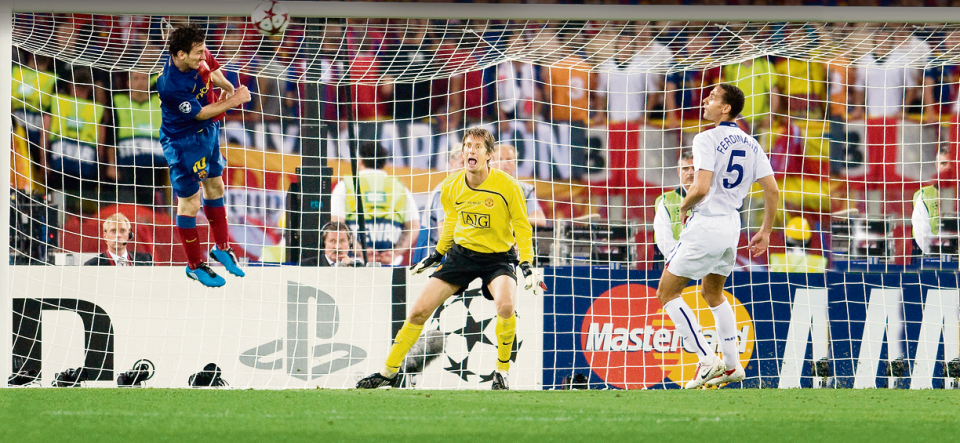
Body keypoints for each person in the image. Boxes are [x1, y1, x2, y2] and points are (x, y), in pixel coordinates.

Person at [356, 127, 545, 391]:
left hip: (498, 258)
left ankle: (501, 372)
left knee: (505, 306)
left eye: (478, 146)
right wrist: (437, 254)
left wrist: (526, 262)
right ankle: (388, 371)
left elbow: (523, 227)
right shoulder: (451, 186)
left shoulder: (508, 186)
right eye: (468, 145)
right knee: (418, 311)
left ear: (489, 154)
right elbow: (450, 225)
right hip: (462, 255)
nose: (471, 150)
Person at [655, 84, 779, 389]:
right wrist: (764, 231)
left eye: (713, 97)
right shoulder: (752, 144)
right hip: (732, 225)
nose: (706, 100)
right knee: (712, 294)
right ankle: (732, 366)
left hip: (707, 222)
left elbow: (701, 187)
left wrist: (684, 206)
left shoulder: (706, 138)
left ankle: (707, 360)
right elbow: (773, 190)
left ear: (726, 108)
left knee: (667, 293)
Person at [157, 24, 251, 288]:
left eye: (202, 50)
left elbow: (211, 68)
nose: (202, 56)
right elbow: (199, 112)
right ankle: (194, 266)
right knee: (190, 203)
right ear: (179, 55)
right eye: (196, 53)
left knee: (216, 185)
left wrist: (229, 87)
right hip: (183, 144)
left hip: (207, 133)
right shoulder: (169, 85)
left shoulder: (198, 53)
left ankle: (221, 248)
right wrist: (234, 101)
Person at [330, 141, 419, 266]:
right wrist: (396, 252)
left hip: (355, 263)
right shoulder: (399, 187)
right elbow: (414, 226)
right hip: (390, 262)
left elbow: (337, 224)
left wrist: (360, 251)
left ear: (359, 160)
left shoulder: (345, 185)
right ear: (383, 162)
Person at [112, 71, 168, 206]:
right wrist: (111, 163)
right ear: (128, 83)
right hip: (127, 163)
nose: (140, 82)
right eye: (136, 78)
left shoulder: (159, 103)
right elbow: (109, 135)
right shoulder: (117, 101)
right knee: (128, 205)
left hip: (156, 165)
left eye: (144, 78)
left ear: (150, 82)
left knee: (150, 207)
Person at [491, 143, 547, 227]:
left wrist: (512, 221)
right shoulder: (481, 187)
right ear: (493, 163)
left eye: (509, 159)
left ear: (515, 164)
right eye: (500, 159)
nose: (505, 163)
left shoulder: (524, 189)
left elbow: (540, 219)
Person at [653, 149, 694, 260]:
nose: (690, 172)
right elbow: (663, 239)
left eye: (694, 168)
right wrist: (681, 260)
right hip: (674, 262)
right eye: (685, 168)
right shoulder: (665, 200)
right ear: (679, 172)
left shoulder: (710, 199)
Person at [422, 144, 465, 251]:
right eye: (463, 163)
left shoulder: (460, 190)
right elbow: (445, 233)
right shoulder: (445, 190)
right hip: (432, 257)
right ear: (451, 164)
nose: (467, 167)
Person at [912, 148, 952, 255]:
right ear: (936, 165)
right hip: (933, 255)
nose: (948, 167)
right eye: (943, 163)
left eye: (952, 163)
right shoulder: (923, 196)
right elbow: (920, 232)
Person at [84, 213, 153, 266]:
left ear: (129, 235)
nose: (118, 235)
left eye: (122, 231)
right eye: (113, 231)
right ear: (105, 236)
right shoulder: (93, 265)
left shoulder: (146, 260)